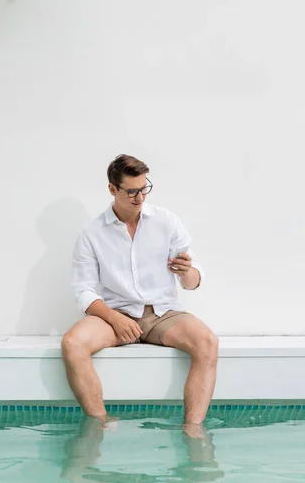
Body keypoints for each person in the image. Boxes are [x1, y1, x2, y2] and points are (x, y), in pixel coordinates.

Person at [61, 154, 218, 435]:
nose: (139, 197)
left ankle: (193, 429)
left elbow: (193, 281)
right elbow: (83, 291)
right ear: (113, 189)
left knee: (207, 342)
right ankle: (99, 424)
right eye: (131, 191)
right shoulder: (91, 233)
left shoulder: (166, 221)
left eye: (144, 188)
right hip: (115, 314)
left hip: (163, 313)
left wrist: (186, 271)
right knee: (72, 344)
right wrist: (114, 318)